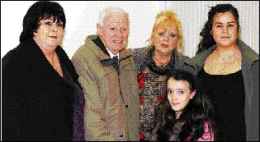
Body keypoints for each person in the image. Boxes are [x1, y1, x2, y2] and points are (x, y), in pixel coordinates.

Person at [2, 1, 85, 140]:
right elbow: (8, 118)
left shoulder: (61, 54)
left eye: (59, 24)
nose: (55, 29)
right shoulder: (14, 61)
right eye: (48, 23)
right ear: (34, 28)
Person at [189, 4, 259, 141]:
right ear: (211, 30)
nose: (225, 31)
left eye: (230, 25)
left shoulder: (254, 67)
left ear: (238, 29)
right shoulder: (194, 67)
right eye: (219, 25)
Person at [71, 7, 139, 141]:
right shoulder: (84, 59)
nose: (119, 35)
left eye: (124, 29)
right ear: (99, 29)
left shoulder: (127, 58)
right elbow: (92, 120)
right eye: (112, 29)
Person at [132, 10, 194, 141]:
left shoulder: (186, 67)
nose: (166, 39)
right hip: (133, 133)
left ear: (178, 41)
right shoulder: (133, 59)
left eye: (172, 35)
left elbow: (190, 110)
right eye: (161, 34)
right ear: (153, 35)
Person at [152, 69, 215, 141]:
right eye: (170, 91)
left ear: (192, 94)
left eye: (180, 92)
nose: (174, 97)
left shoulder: (200, 125)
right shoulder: (163, 117)